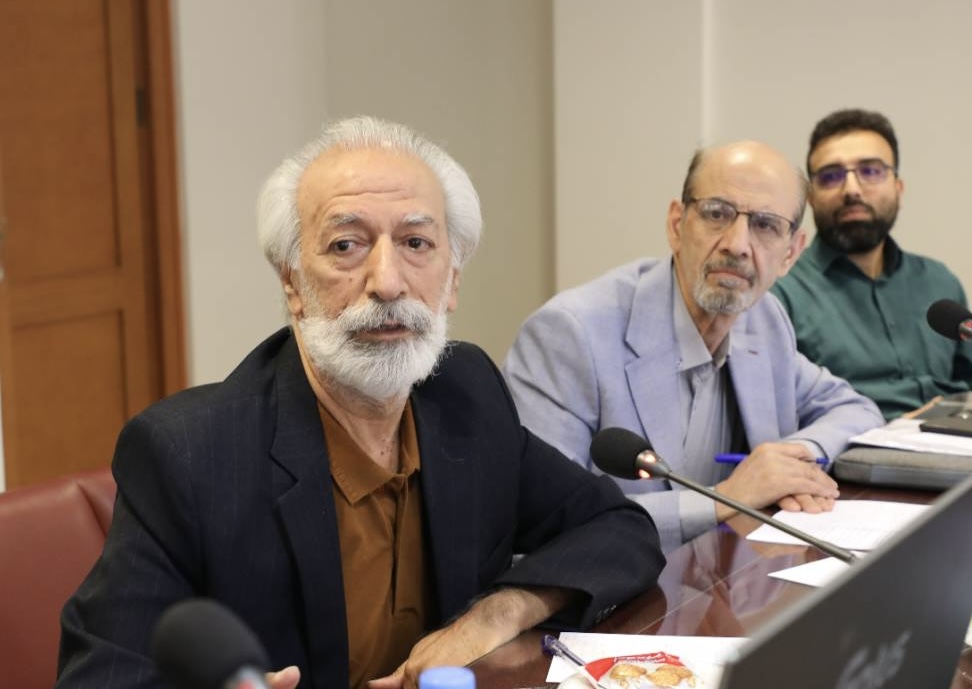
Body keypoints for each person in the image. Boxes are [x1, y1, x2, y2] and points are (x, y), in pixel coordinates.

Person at [55, 116, 664, 689]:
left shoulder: (466, 395)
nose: (388, 283)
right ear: (292, 282)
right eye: (346, 245)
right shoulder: (189, 455)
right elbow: (98, 677)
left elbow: (618, 528)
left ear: (453, 279)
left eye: (416, 242)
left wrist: (498, 613)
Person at [502, 140, 883, 553]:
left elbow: (856, 411)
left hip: (729, 578)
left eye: (765, 225)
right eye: (717, 214)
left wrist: (789, 464)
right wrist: (727, 498)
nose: (738, 244)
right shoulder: (570, 334)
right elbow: (542, 519)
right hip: (612, 585)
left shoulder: (763, 320)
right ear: (676, 225)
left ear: (790, 253)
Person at [772, 109, 972, 420]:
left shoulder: (938, 281)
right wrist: (897, 428)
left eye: (870, 171)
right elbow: (779, 415)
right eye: (831, 176)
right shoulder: (780, 292)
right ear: (811, 198)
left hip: (958, 440)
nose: (852, 189)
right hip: (855, 446)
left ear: (898, 188)